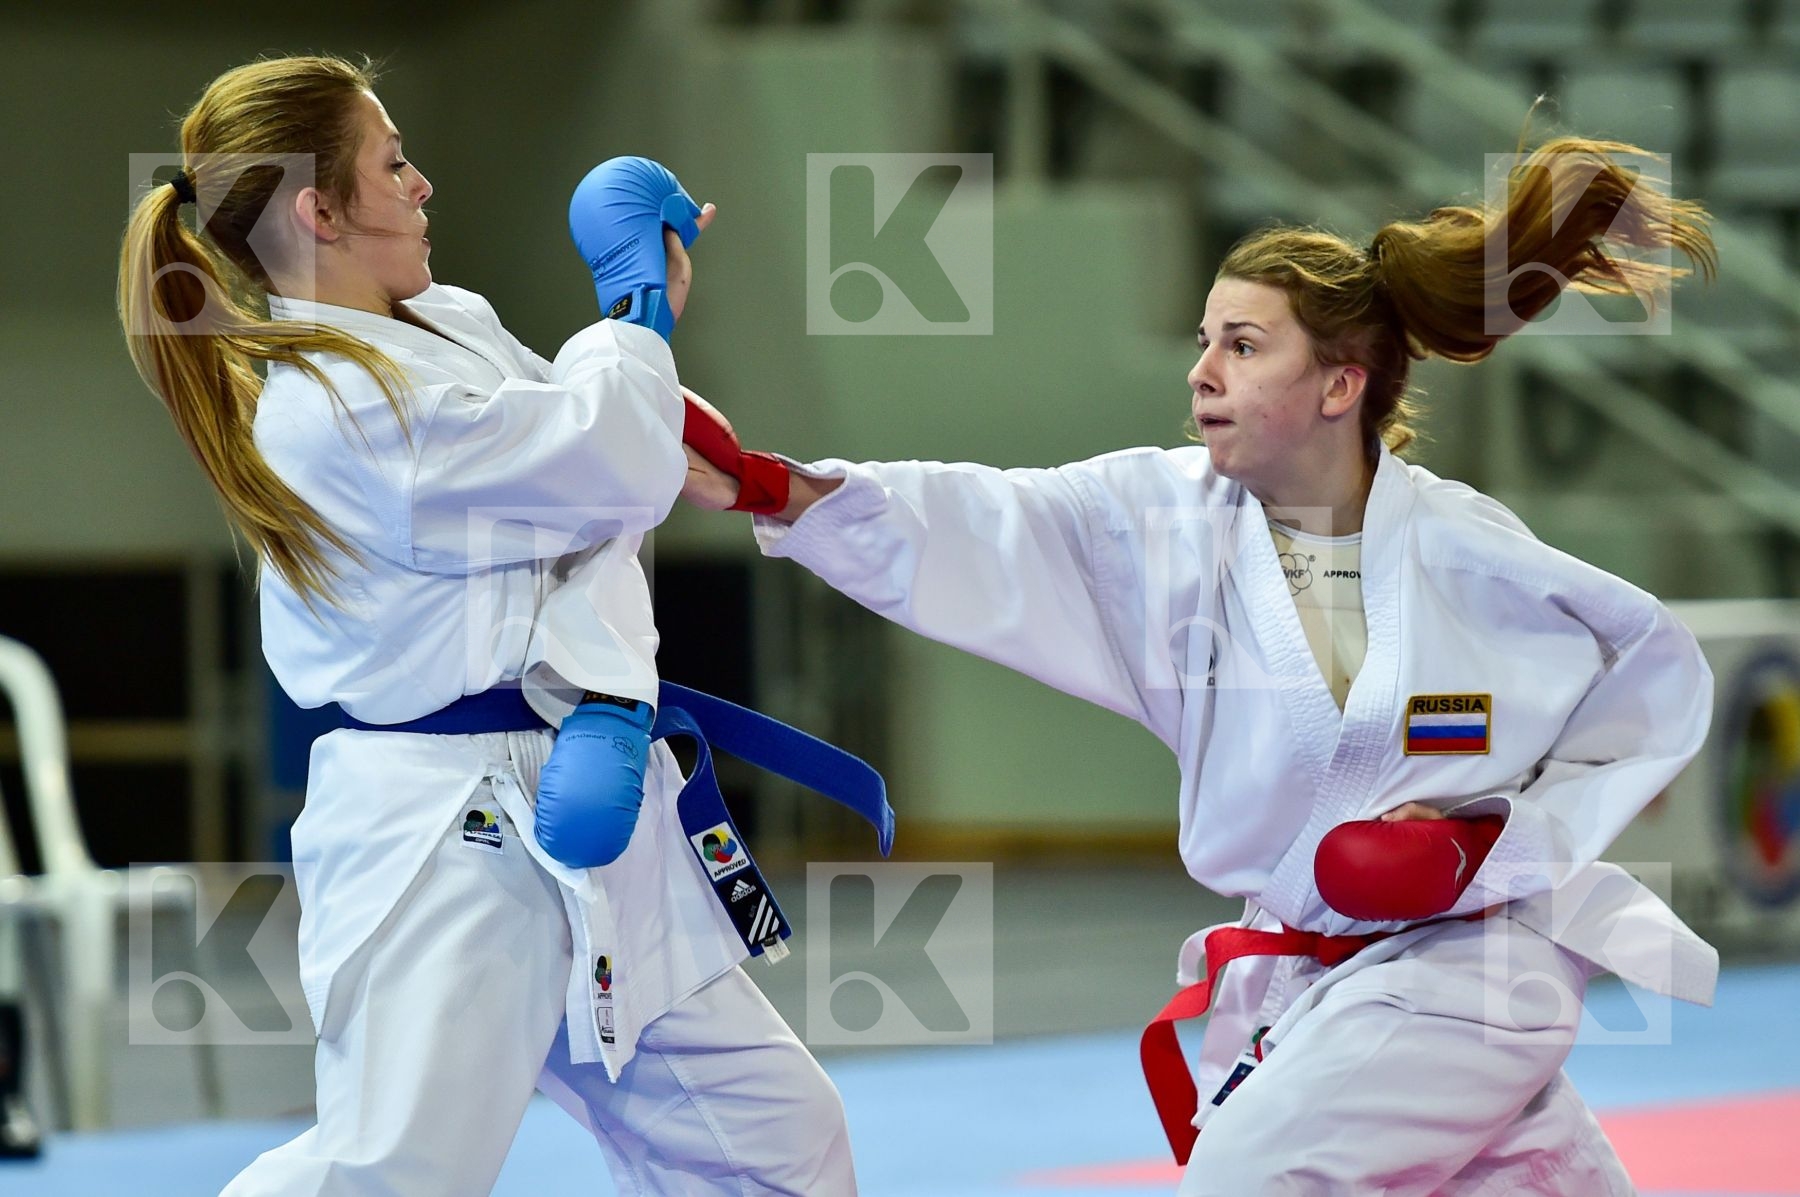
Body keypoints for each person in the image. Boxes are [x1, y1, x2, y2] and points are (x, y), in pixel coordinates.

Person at [682, 132, 1721, 1194]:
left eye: (1242, 345)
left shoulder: (1467, 552)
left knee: (1252, 1177)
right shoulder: (1162, 523)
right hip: (1306, 978)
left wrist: (1489, 840)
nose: (1202, 372)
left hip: (1481, 963)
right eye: (1202, 340)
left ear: (1336, 387)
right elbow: (982, 519)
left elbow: (1653, 684)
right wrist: (776, 490)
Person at [118, 54, 853, 1196]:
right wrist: (637, 309)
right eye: (393, 163)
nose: (421, 186)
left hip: (587, 794)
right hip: (444, 834)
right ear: (320, 209)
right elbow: (601, 459)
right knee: (391, 1175)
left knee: (773, 1138)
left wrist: (679, 432)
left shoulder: (445, 322)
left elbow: (602, 457)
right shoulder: (328, 407)